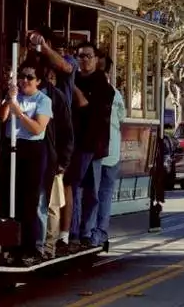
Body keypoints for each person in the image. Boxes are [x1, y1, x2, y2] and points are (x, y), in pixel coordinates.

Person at [0, 63, 52, 266]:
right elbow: (1, 117)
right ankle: (10, 246)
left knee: (29, 200)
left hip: (32, 150)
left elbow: (38, 128)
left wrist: (20, 113)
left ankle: (30, 248)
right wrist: (8, 100)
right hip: (11, 147)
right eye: (22, 76)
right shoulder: (14, 96)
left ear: (38, 81)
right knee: (9, 197)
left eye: (30, 77)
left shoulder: (43, 100)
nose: (25, 81)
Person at [66, 43, 115, 248]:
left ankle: (87, 230)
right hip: (74, 143)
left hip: (93, 145)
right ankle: (74, 232)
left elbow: (85, 105)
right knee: (74, 188)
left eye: (88, 56)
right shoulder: (74, 78)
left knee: (91, 191)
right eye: (80, 56)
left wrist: (71, 85)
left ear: (96, 59)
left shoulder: (102, 84)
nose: (84, 60)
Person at [38, 57, 74, 258]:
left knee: (51, 203)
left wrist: (63, 161)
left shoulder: (56, 98)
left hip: (52, 159)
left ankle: (49, 247)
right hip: (36, 158)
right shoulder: (25, 97)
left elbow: (66, 133)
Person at [87, 77, 125, 250]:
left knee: (95, 193)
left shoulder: (99, 93)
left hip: (98, 151)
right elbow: (122, 117)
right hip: (111, 151)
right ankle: (99, 232)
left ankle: (92, 232)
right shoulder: (115, 93)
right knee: (104, 194)